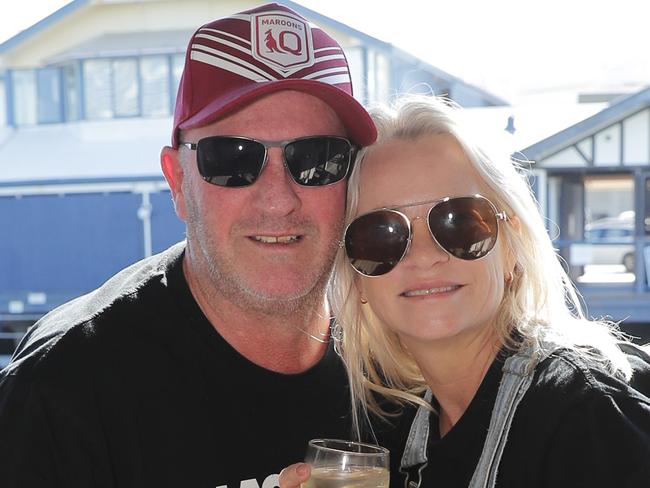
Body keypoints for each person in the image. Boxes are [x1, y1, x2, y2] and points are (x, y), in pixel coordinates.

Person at [0, 4, 391, 487]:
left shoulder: (398, 356)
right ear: (178, 181)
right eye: (232, 159)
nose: (278, 200)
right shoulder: (67, 389)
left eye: (316, 159)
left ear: (351, 180)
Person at [279, 95, 650, 488]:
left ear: (512, 250)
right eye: (380, 235)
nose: (424, 256)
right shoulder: (394, 428)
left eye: (459, 222)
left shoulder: (586, 420)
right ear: (357, 277)